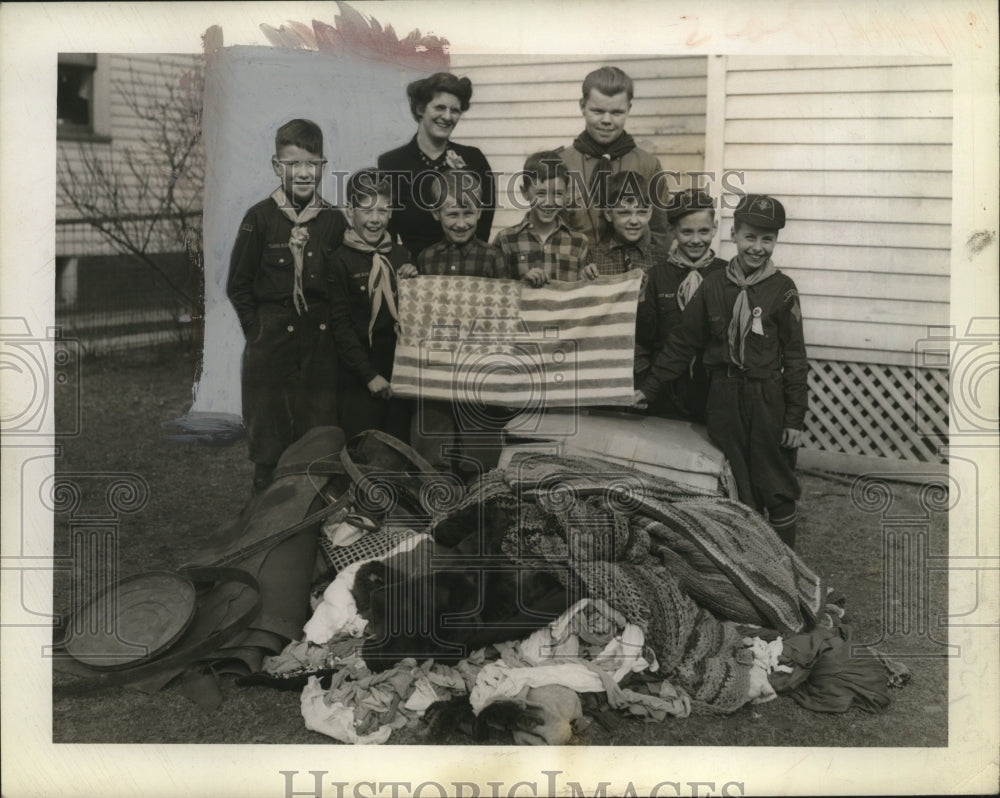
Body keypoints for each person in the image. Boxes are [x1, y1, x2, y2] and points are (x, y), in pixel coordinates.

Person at [632, 194, 808, 549]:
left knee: (774, 481)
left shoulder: (783, 289)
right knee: (735, 481)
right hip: (724, 397)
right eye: (750, 237)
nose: (757, 248)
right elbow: (683, 342)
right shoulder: (714, 285)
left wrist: (794, 418)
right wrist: (648, 389)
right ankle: (748, 560)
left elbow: (795, 356)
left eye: (767, 239)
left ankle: (786, 563)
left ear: (775, 241)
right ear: (733, 233)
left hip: (766, 396)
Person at [227, 118, 347, 494]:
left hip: (319, 344)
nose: (303, 172)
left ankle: (312, 517)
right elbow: (239, 285)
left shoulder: (332, 220)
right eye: (293, 164)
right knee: (269, 437)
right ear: (277, 166)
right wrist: (259, 331)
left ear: (323, 167)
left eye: (312, 163)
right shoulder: (259, 218)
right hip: (272, 345)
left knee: (317, 432)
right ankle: (261, 518)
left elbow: (342, 279)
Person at [412, 172, 508, 473]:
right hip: (437, 368)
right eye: (452, 214)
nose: (461, 222)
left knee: (479, 447)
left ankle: (476, 497)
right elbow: (418, 314)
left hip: (479, 369)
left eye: (468, 213)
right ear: (436, 213)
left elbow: (504, 314)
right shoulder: (426, 259)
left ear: (479, 212)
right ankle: (433, 496)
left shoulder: (493, 258)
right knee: (433, 441)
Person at [329, 169, 416, 443]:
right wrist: (369, 376)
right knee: (363, 448)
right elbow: (340, 326)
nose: (375, 219)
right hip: (359, 376)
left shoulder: (402, 255)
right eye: (367, 211)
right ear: (350, 210)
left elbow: (414, 316)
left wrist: (414, 280)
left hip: (400, 372)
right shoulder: (340, 260)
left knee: (399, 446)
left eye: (383, 210)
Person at [378, 72, 495, 260]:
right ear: (420, 109)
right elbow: (387, 233)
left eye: (455, 110)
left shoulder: (474, 160)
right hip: (412, 275)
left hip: (467, 272)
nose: (447, 117)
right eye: (440, 107)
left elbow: (482, 231)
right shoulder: (391, 164)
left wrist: (464, 179)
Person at [634, 188, 728, 421]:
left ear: (715, 228)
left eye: (704, 231)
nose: (696, 240)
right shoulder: (657, 276)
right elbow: (645, 337)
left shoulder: (727, 274)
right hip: (665, 388)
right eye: (686, 232)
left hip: (712, 388)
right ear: (672, 231)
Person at [557, 66, 670, 247]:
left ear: (629, 108)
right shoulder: (559, 163)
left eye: (617, 112)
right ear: (582, 106)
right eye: (598, 111)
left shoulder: (648, 165)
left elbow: (660, 232)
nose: (607, 120)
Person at [493, 151, 597, 286]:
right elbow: (497, 291)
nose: (549, 202)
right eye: (541, 193)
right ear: (525, 192)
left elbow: (583, 294)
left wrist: (587, 278)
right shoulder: (505, 240)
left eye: (558, 194)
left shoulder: (579, 242)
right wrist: (523, 284)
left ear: (566, 194)